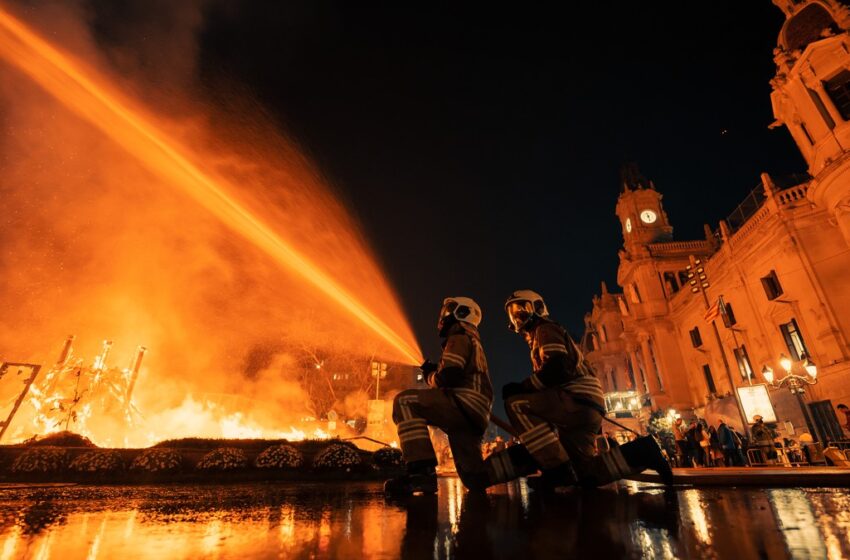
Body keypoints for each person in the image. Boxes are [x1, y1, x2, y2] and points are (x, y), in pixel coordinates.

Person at [498, 290, 673, 490]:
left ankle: (556, 468)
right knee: (583, 472)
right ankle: (643, 453)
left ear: (537, 308)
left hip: (575, 400)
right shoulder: (539, 336)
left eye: (522, 310)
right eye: (513, 313)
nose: (517, 317)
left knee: (516, 404)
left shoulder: (545, 329)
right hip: (585, 406)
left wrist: (523, 387)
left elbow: (558, 366)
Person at [385, 297, 493, 495]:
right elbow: (455, 372)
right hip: (474, 412)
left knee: (405, 401)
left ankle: (421, 473)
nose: (444, 315)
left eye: (449, 310)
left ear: (461, 313)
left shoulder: (459, 336)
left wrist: (430, 376)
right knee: (474, 477)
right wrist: (436, 371)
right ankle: (523, 460)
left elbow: (449, 377)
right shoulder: (471, 339)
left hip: (462, 404)